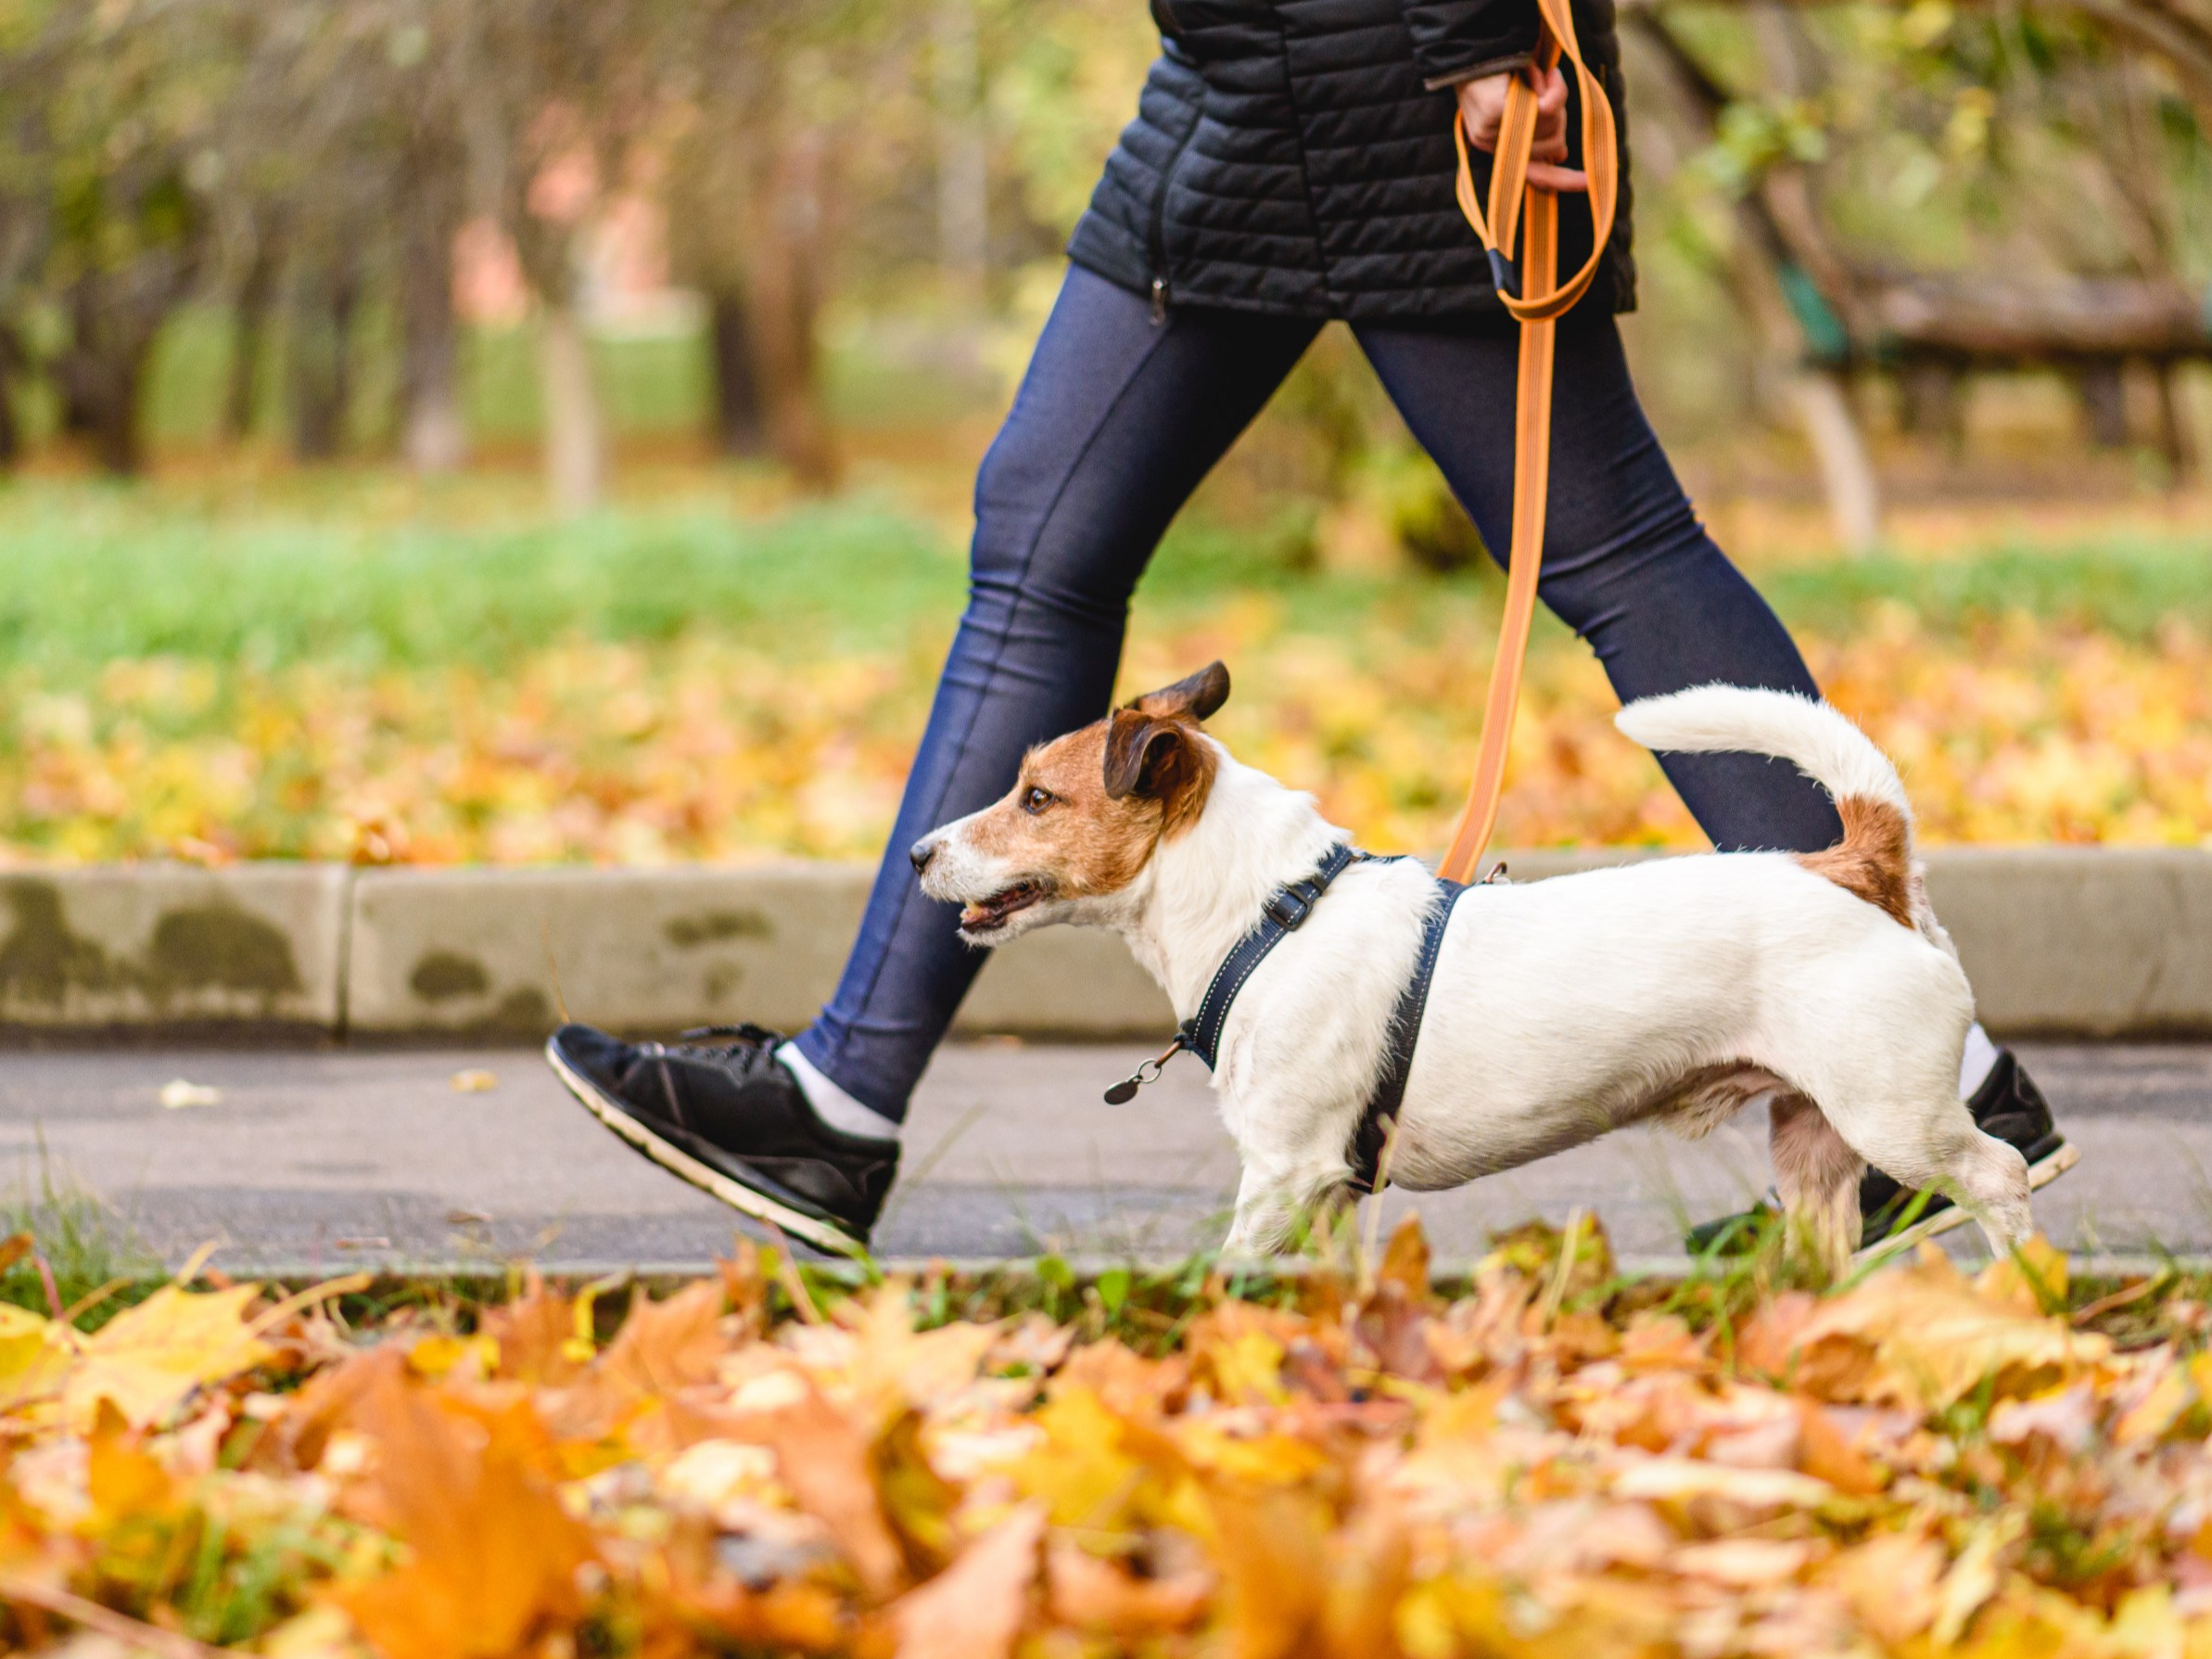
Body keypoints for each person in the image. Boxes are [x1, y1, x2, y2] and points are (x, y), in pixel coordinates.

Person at [546, 0, 2068, 1257]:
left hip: (1388, 70)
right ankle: (844, 1096)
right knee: (1045, 538)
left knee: (1603, 543)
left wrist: (1480, 35)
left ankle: (1933, 1072)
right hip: (1252, 72)